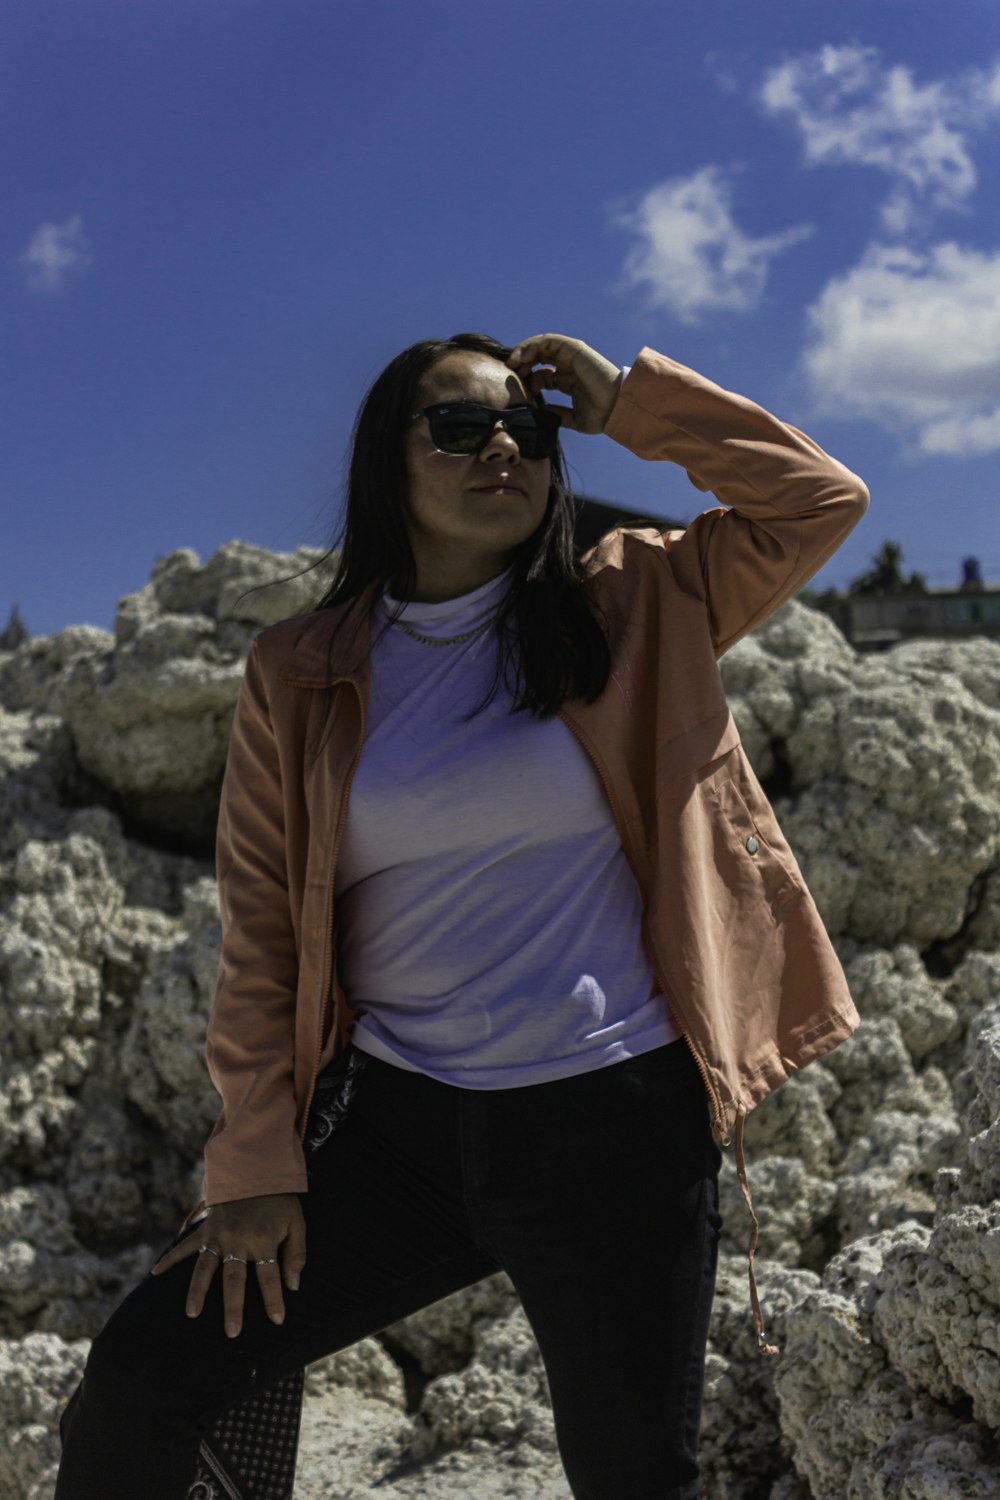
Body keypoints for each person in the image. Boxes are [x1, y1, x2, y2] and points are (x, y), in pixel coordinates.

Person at [56, 332, 869, 1500]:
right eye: (456, 425)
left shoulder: (633, 601)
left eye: (527, 430)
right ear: (387, 463)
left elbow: (817, 503)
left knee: (634, 1477)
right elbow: (261, 931)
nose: (502, 445)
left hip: (616, 1125)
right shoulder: (302, 668)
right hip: (396, 1134)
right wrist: (252, 1159)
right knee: (144, 1376)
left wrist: (632, 405)